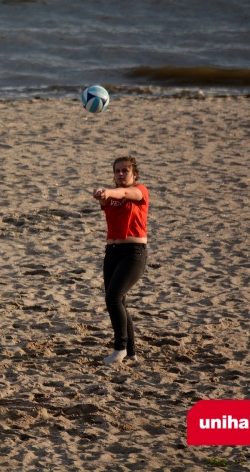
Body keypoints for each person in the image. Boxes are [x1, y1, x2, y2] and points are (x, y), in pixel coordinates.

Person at [92, 156, 149, 365]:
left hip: (133, 253)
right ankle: (131, 352)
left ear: (134, 174)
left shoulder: (140, 191)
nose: (121, 174)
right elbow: (105, 199)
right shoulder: (111, 197)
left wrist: (107, 191)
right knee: (120, 301)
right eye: (117, 171)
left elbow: (124, 192)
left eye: (125, 170)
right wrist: (101, 193)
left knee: (113, 298)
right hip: (112, 252)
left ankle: (120, 348)